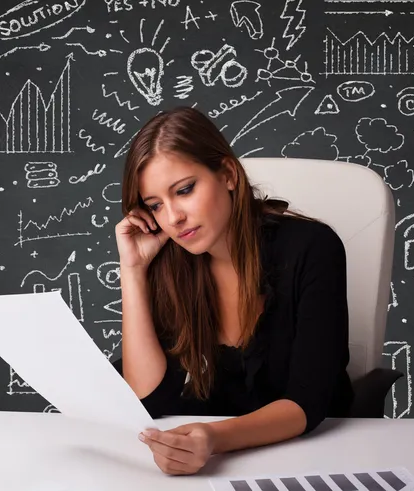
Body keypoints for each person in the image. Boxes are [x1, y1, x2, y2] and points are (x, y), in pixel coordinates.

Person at [114, 106, 354, 476]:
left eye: (185, 190)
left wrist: (212, 438)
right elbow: (148, 396)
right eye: (155, 206)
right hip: (216, 471)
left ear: (227, 174)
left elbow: (306, 402)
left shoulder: (312, 248)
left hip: (316, 460)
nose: (173, 217)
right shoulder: (172, 263)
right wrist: (132, 271)